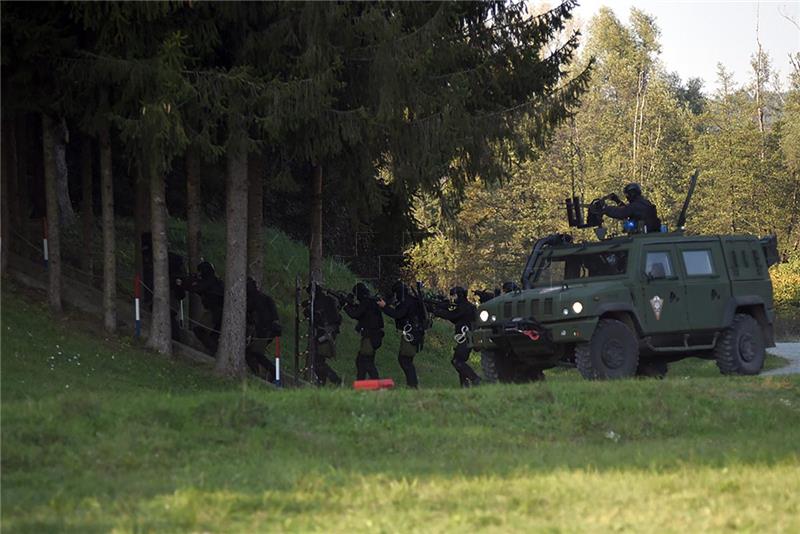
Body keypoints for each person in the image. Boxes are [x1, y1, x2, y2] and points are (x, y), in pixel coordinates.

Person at [378, 281, 427, 388]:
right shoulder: (411, 300)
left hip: (412, 334)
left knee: (405, 360)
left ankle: (412, 386)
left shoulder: (406, 302)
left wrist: (384, 306)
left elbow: (398, 314)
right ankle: (412, 385)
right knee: (406, 359)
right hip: (416, 333)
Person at [432, 286, 482, 387]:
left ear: (458, 295)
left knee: (457, 361)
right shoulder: (466, 306)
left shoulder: (465, 307)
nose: (453, 298)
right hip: (468, 337)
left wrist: (437, 312)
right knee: (459, 361)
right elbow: (455, 318)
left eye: (454, 296)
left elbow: (452, 316)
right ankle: (464, 385)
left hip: (467, 337)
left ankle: (475, 379)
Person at [179, 261, 224, 354]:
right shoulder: (215, 281)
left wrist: (183, 284)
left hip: (214, 311)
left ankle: (215, 352)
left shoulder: (209, 281)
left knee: (200, 331)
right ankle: (214, 352)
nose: (199, 274)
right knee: (212, 335)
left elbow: (197, 288)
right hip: (217, 312)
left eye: (200, 272)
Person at [343, 282, 384, 380]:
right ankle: (361, 383)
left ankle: (375, 382)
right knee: (362, 361)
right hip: (374, 336)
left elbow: (356, 314)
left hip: (370, 337)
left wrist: (345, 306)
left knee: (366, 361)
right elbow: (363, 315)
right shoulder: (371, 302)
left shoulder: (366, 302)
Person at [304, 284, 343, 386]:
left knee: (317, 361)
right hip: (329, 333)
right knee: (319, 360)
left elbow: (311, 315)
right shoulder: (329, 300)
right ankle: (321, 383)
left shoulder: (318, 303)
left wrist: (308, 307)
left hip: (324, 334)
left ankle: (335, 379)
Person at [245, 277, 281, 382]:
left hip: (264, 330)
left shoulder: (253, 299)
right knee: (253, 352)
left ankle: (272, 373)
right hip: (269, 330)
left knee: (254, 353)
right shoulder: (265, 298)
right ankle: (263, 372)